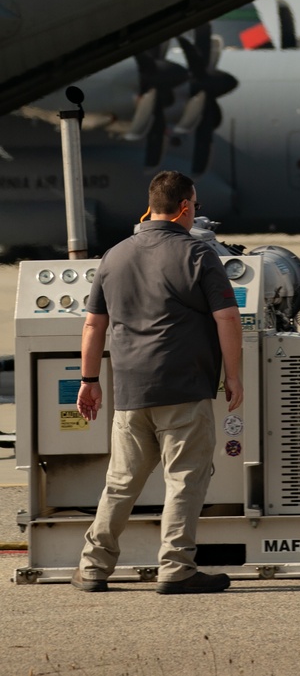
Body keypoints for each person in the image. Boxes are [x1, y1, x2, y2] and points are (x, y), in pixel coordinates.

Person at [72, 170, 244, 595]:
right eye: (196, 207)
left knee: (121, 481)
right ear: (185, 207)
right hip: (183, 388)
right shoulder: (199, 255)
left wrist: (88, 380)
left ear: (152, 206)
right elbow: (227, 318)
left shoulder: (114, 255)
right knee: (185, 479)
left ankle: (93, 568)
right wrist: (234, 376)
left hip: (131, 390)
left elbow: (94, 325)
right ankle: (176, 568)